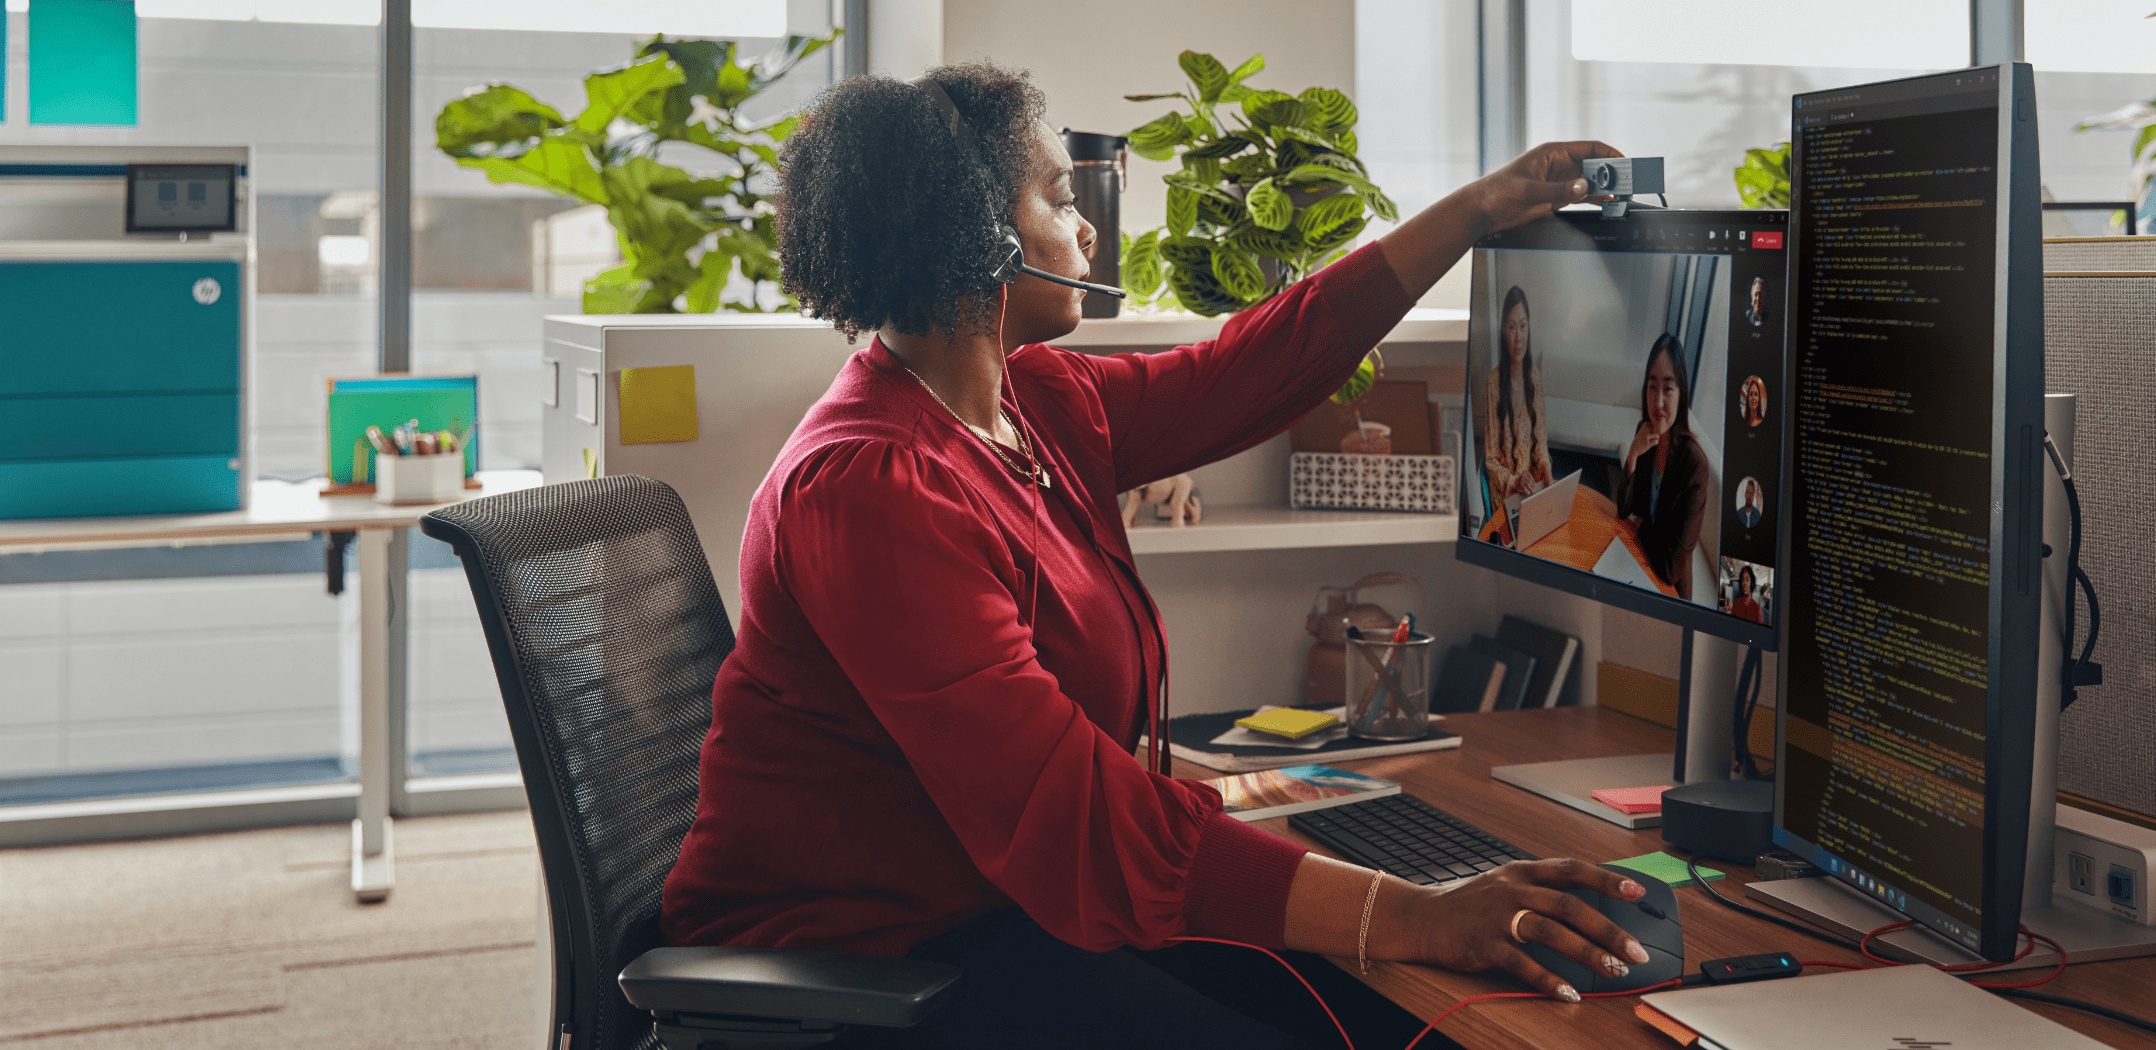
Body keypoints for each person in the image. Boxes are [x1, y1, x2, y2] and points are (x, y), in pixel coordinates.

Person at [659, 64, 1653, 1048]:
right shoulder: (869, 487)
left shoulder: (1034, 401)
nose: (1083, 229)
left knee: (1417, 1021)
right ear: (982, 239)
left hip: (1004, 903)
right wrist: (1419, 911)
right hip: (866, 962)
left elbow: (1251, 369)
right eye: (1055, 198)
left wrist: (1476, 210)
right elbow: (1075, 817)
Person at [1616, 334, 1710, 597]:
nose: (1657, 403)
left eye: (1668, 389)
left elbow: (1671, 568)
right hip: (1636, 560)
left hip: (1669, 590)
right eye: (1652, 386)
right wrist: (1633, 454)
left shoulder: (1695, 466)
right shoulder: (1644, 434)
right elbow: (1624, 511)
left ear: (1682, 395)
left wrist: (1642, 526)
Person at [1481, 285, 1555, 510]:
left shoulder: (1535, 377)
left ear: (1529, 328)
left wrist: (1548, 475)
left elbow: (1540, 442)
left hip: (1533, 484)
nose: (1518, 337)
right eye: (1512, 328)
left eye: (1523, 326)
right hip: (1508, 492)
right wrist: (1515, 481)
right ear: (1504, 332)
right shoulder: (1493, 383)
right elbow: (1491, 460)